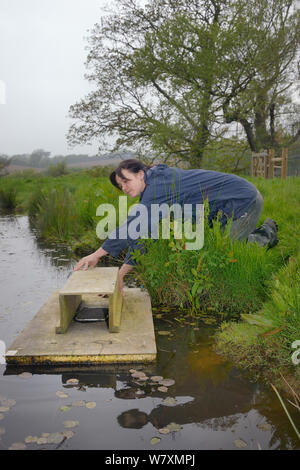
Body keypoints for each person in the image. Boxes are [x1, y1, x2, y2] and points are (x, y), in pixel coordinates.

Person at [74, 159, 269, 293]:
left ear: (141, 174)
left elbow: (133, 226)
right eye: (120, 185)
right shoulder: (153, 191)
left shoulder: (158, 185)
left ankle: (266, 235)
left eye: (126, 181)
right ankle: (258, 234)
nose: (124, 188)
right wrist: (121, 275)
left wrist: (97, 254)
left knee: (228, 253)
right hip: (223, 209)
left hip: (243, 200)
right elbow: (143, 234)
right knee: (226, 246)